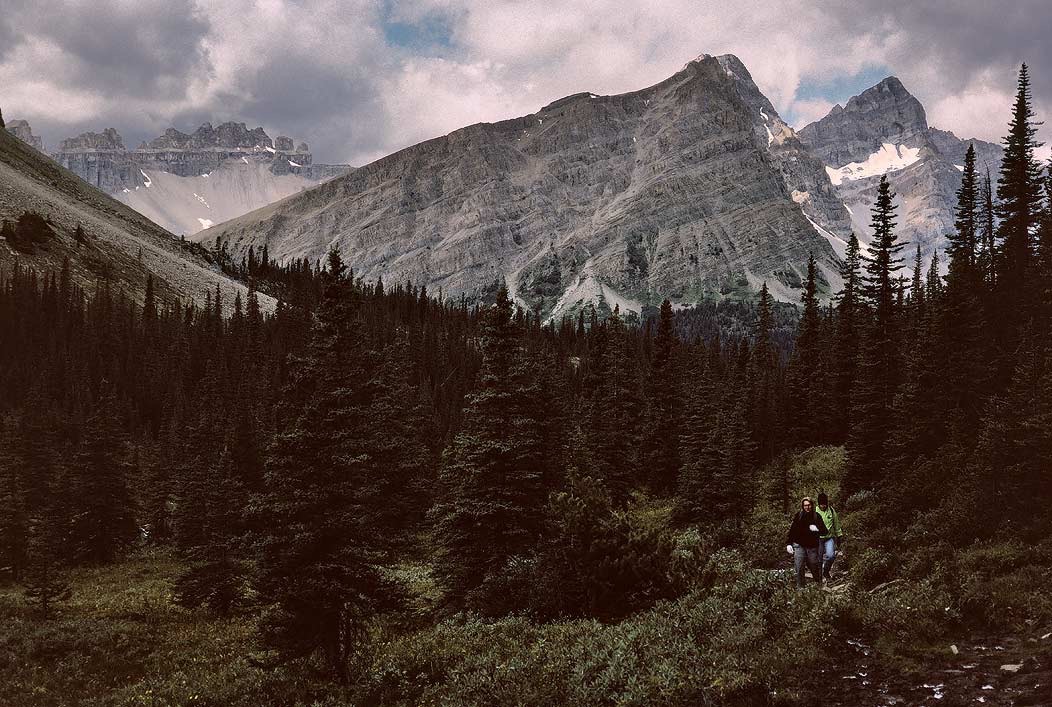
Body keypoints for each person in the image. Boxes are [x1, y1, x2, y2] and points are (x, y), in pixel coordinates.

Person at [784, 496, 827, 588]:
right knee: (799, 567)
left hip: (812, 546)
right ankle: (801, 589)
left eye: (809, 505)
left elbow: (825, 531)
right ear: (802, 506)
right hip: (799, 545)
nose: (807, 507)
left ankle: (818, 585)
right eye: (805, 505)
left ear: (812, 505)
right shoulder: (799, 515)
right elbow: (793, 530)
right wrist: (789, 544)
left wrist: (817, 529)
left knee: (814, 566)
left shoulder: (816, 516)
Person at [815, 492, 844, 581]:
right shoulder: (814, 511)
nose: (823, 506)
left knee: (831, 556)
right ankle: (818, 578)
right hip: (818, 538)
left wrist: (839, 536)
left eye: (824, 504)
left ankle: (826, 571)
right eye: (821, 504)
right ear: (818, 503)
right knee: (819, 558)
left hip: (829, 537)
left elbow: (836, 524)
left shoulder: (831, 511)